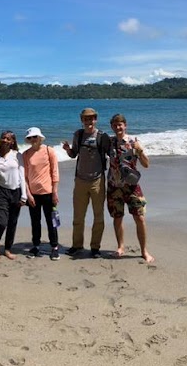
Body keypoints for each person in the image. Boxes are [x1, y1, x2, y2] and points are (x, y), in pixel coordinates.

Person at [62, 107, 112, 258]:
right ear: (81, 120)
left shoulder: (102, 136)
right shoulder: (78, 134)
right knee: (78, 216)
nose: (89, 121)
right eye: (86, 118)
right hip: (80, 181)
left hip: (97, 180)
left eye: (91, 118)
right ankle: (77, 245)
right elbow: (74, 154)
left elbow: (112, 154)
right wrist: (67, 149)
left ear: (95, 119)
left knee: (98, 216)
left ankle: (95, 248)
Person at [106, 114, 154, 263]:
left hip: (132, 186)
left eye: (120, 124)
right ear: (112, 127)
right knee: (117, 217)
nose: (118, 127)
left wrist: (139, 151)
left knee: (139, 217)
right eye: (115, 125)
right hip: (114, 186)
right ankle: (120, 247)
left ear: (125, 125)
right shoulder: (109, 142)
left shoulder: (134, 142)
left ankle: (144, 250)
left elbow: (146, 165)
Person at [22, 126, 61, 260]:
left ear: (40, 137)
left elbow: (55, 173)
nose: (33, 139)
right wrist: (28, 194)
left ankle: (54, 247)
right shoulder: (26, 154)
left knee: (52, 221)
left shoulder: (49, 151)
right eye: (30, 138)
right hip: (33, 194)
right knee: (35, 222)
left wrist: (55, 192)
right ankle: (36, 246)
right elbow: (25, 177)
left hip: (48, 192)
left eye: (35, 137)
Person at [0, 130, 27, 261]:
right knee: (1, 221)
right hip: (1, 191)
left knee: (12, 222)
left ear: (12, 142)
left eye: (8, 139)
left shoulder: (17, 155)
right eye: (3, 138)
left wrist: (24, 196)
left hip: (16, 192)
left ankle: (8, 249)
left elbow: (22, 176)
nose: (5, 140)